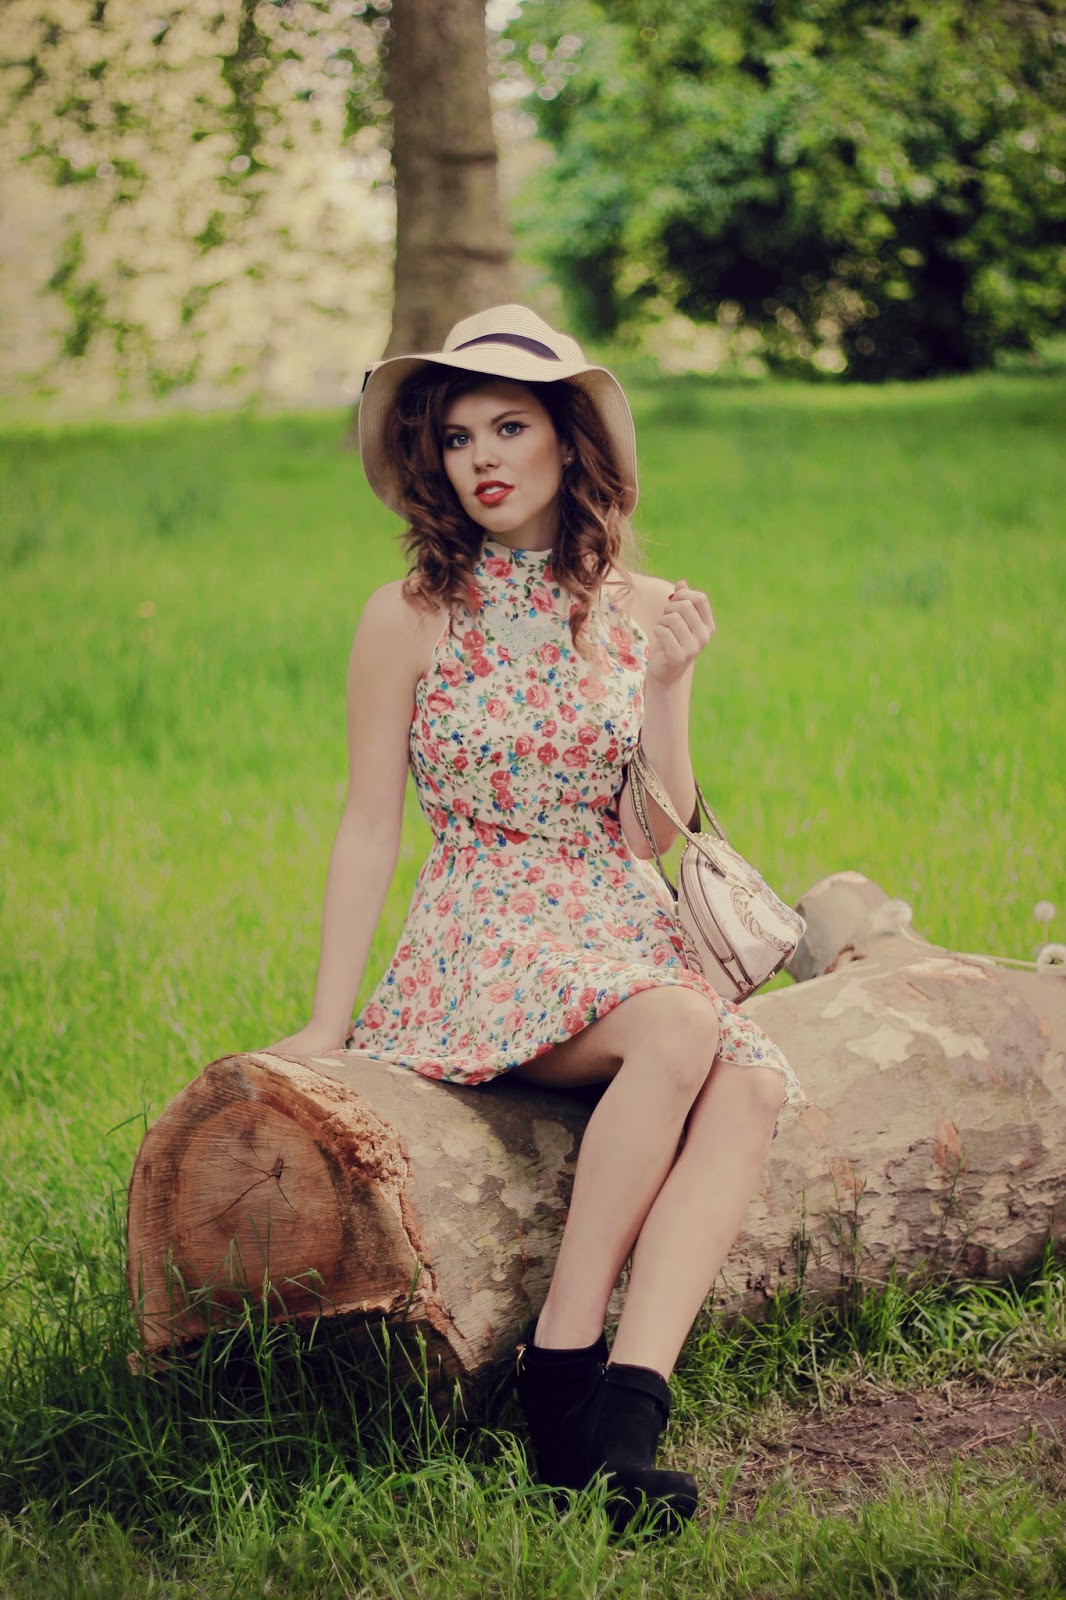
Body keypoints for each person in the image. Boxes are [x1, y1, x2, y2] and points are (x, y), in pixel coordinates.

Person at [266, 304, 810, 1532]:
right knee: (681, 1029)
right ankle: (559, 1365)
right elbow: (369, 822)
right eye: (458, 437)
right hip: (483, 925)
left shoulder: (646, 606)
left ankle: (625, 1416)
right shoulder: (409, 612)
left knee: (749, 1082)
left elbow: (651, 836)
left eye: (509, 427)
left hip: (614, 916)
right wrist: (326, 1020)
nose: (482, 459)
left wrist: (665, 683)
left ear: (568, 439)